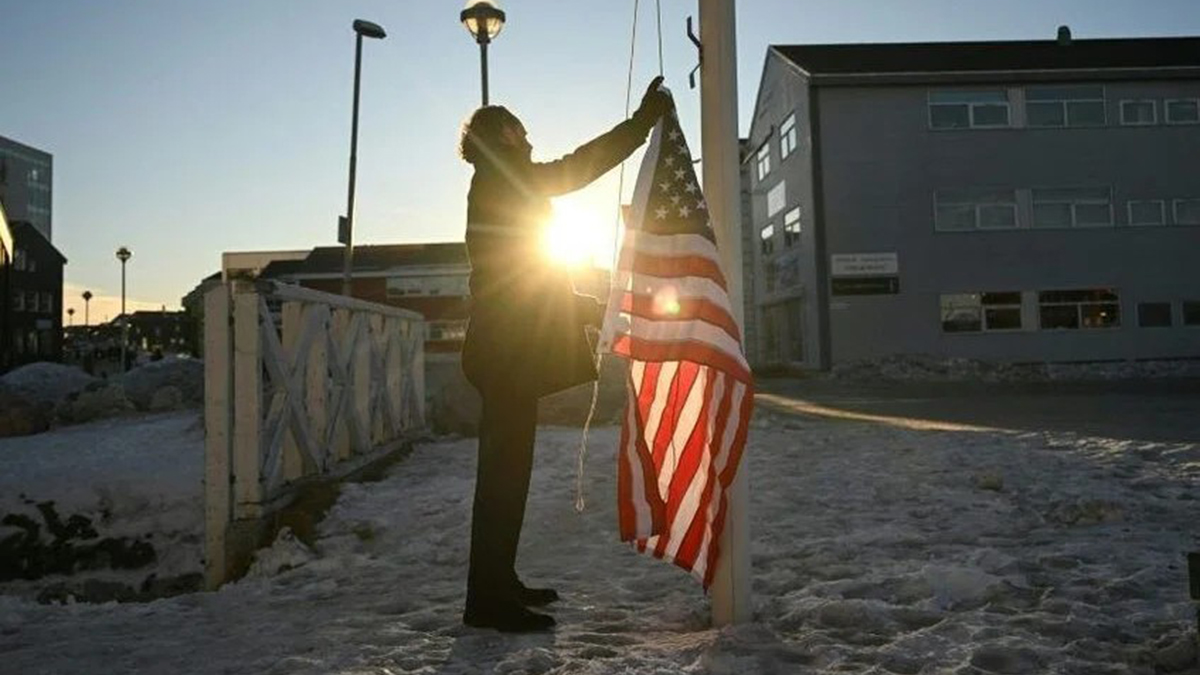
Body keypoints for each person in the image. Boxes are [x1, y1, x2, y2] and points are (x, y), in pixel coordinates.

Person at [457, 77, 672, 632]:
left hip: (507, 354)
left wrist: (581, 305)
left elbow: (520, 276)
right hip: (504, 358)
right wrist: (642, 122)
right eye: (519, 127)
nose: (528, 134)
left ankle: (499, 583)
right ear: (503, 133)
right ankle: (487, 602)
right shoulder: (505, 177)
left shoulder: (499, 182)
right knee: (502, 482)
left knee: (509, 479)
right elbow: (578, 167)